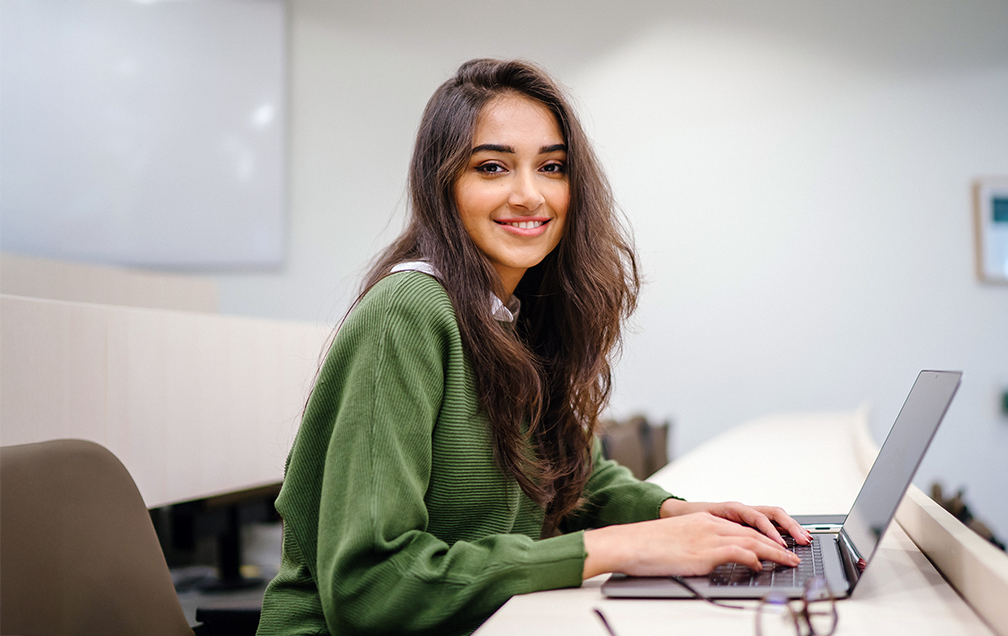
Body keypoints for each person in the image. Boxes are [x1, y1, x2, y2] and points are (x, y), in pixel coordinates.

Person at [256, 58, 811, 636]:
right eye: (492, 167)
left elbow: (573, 474)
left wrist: (676, 514)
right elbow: (371, 587)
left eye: (552, 167)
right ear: (442, 185)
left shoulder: (511, 312)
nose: (529, 195)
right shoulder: (408, 314)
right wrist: (619, 548)